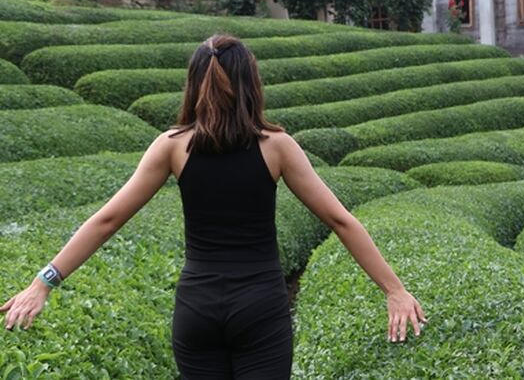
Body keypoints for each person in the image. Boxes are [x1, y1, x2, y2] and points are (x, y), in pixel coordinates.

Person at [1, 33, 427, 378]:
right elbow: (340, 220)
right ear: (251, 84)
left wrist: (44, 282)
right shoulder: (277, 146)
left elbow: (108, 219)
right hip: (260, 307)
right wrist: (395, 290)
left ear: (193, 82)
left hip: (197, 309)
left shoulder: (171, 146)